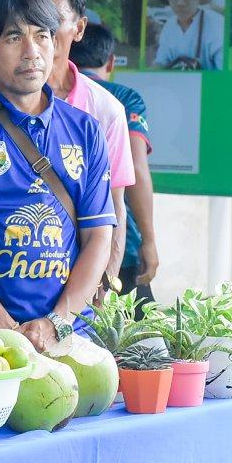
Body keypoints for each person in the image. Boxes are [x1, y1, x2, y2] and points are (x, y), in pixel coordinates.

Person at [0, 0, 116, 351]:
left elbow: (98, 237)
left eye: (42, 35)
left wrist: (55, 324)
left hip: (71, 337)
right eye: (14, 37)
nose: (32, 51)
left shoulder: (85, 129)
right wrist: (10, 332)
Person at [70, 22, 159, 303]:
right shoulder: (124, 98)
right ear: (110, 62)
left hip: (55, 245)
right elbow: (137, 170)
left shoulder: (42, 94)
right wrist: (149, 240)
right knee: (127, 326)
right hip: (116, 241)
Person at [150, 0, 224, 70]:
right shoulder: (169, 25)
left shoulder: (217, 23)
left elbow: (223, 70)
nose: (181, 2)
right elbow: (161, 62)